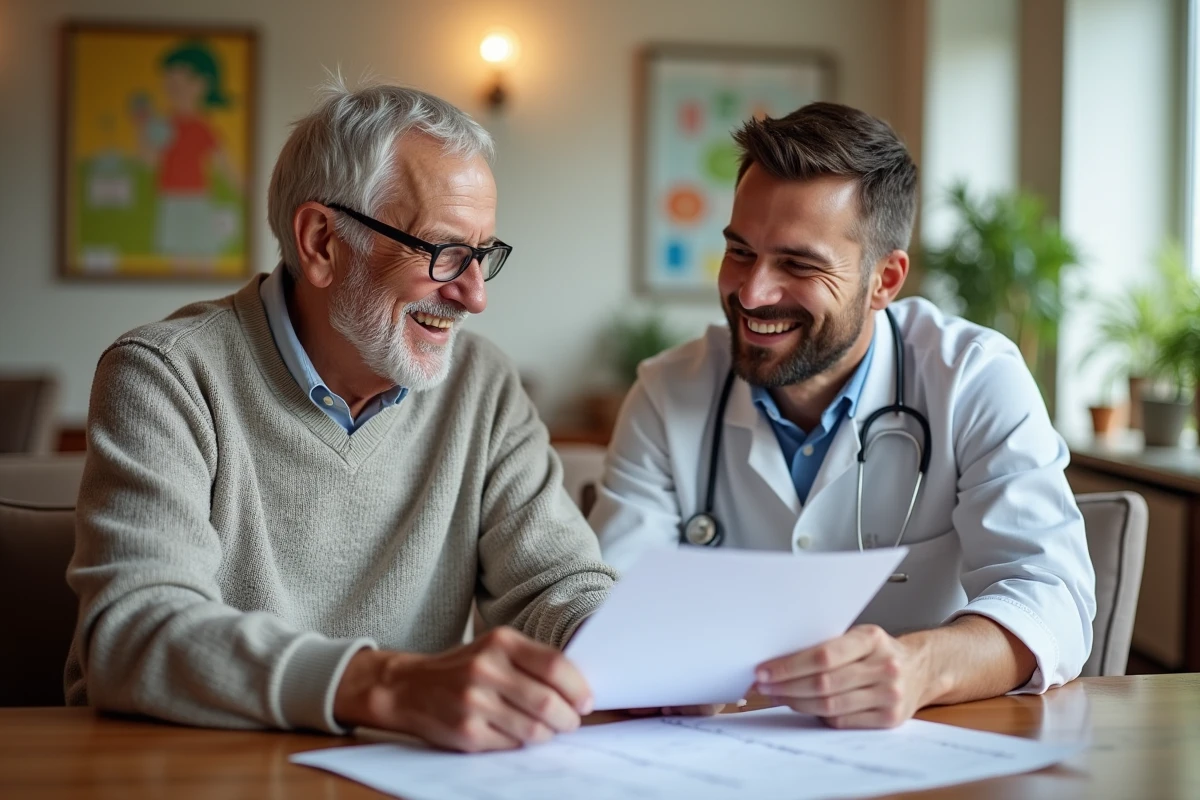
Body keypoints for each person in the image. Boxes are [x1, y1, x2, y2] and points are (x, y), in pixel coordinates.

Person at [66, 80, 617, 753]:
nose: (474, 296)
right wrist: (386, 686)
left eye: (482, 256)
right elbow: (134, 634)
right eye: (444, 252)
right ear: (323, 242)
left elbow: (554, 584)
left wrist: (629, 649)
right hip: (191, 764)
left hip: (411, 772)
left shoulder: (484, 384)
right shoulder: (165, 375)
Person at [591, 102, 1096, 729]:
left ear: (885, 280)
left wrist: (919, 668)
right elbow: (611, 602)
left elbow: (1053, 598)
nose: (752, 293)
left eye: (798, 264)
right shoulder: (667, 392)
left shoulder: (974, 377)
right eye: (740, 252)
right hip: (719, 755)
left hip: (925, 755)